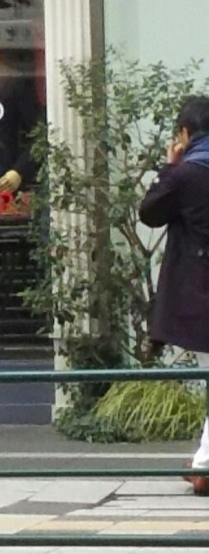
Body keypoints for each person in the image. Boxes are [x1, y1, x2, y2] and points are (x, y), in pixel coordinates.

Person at [139, 95, 209, 496]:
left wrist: (170, 166)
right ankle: (203, 463)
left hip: (200, 292)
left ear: (185, 133)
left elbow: (150, 211)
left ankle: (204, 467)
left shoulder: (187, 175)